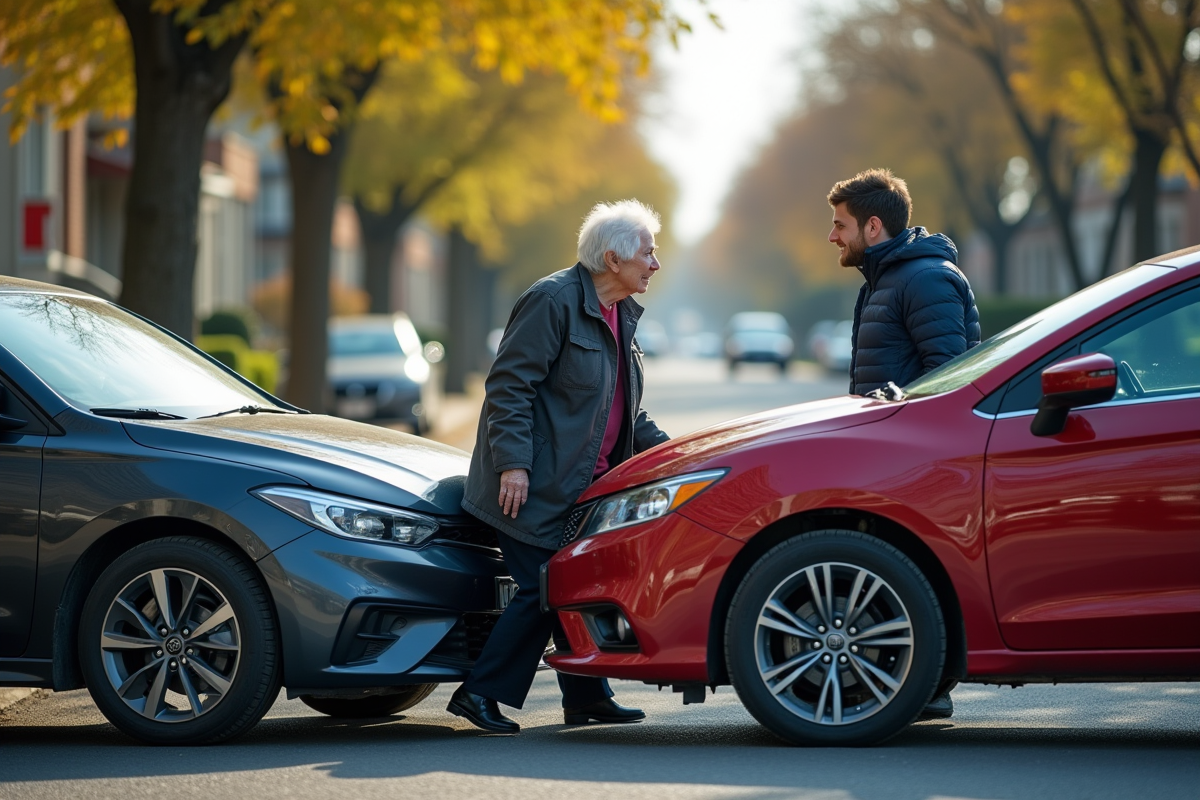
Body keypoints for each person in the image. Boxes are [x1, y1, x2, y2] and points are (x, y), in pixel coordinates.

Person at [447, 199, 671, 734]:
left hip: (584, 487)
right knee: (544, 587)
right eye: (648, 252)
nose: (655, 263)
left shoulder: (620, 312)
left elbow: (626, 408)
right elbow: (508, 388)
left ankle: (586, 695)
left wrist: (672, 451)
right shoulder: (552, 301)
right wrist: (514, 466)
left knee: (577, 584)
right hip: (530, 486)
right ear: (613, 259)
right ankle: (478, 693)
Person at [827, 168, 980, 719]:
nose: (831, 236)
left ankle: (926, 686)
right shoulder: (886, 279)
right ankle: (910, 683)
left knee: (914, 564)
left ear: (873, 227)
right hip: (887, 447)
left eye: (839, 224)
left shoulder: (925, 279)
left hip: (916, 456)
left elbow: (950, 374)